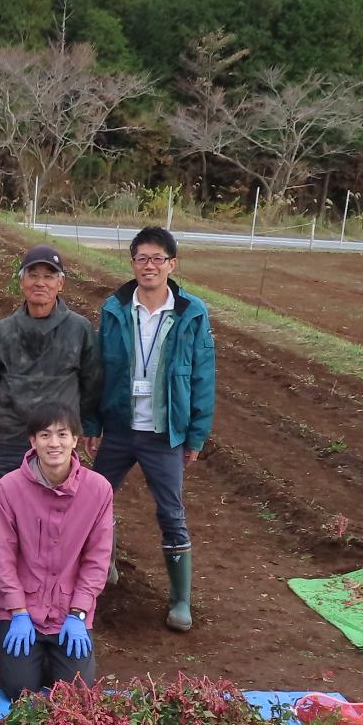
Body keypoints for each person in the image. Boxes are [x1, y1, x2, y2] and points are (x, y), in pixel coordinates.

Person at [96, 226, 214, 632]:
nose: (150, 266)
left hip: (164, 431)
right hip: (118, 425)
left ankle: (180, 599)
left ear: (172, 265)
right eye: (142, 259)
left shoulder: (191, 312)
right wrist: (94, 420)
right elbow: (100, 368)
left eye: (158, 259)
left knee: (171, 512)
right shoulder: (114, 308)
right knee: (94, 501)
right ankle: (103, 561)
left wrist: (196, 432)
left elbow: (202, 374)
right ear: (132, 264)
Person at [0, 405, 113, 699]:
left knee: (76, 692)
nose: (54, 443)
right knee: (18, 689)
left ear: (74, 440)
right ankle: (29, 656)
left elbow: (97, 559)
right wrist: (17, 610)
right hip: (22, 610)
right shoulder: (9, 488)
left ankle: (54, 654)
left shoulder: (98, 490)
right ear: (33, 441)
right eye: (45, 435)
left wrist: (79, 611)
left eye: (62, 434)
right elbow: (3, 557)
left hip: (69, 610)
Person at [0, 243, 101, 486]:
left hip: (58, 442)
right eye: (32, 275)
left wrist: (69, 418)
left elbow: (92, 382)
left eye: (48, 276)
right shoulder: (5, 331)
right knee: (9, 507)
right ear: (22, 282)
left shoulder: (79, 329)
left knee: (59, 507)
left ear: (60, 284)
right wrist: (11, 409)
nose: (40, 283)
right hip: (13, 438)